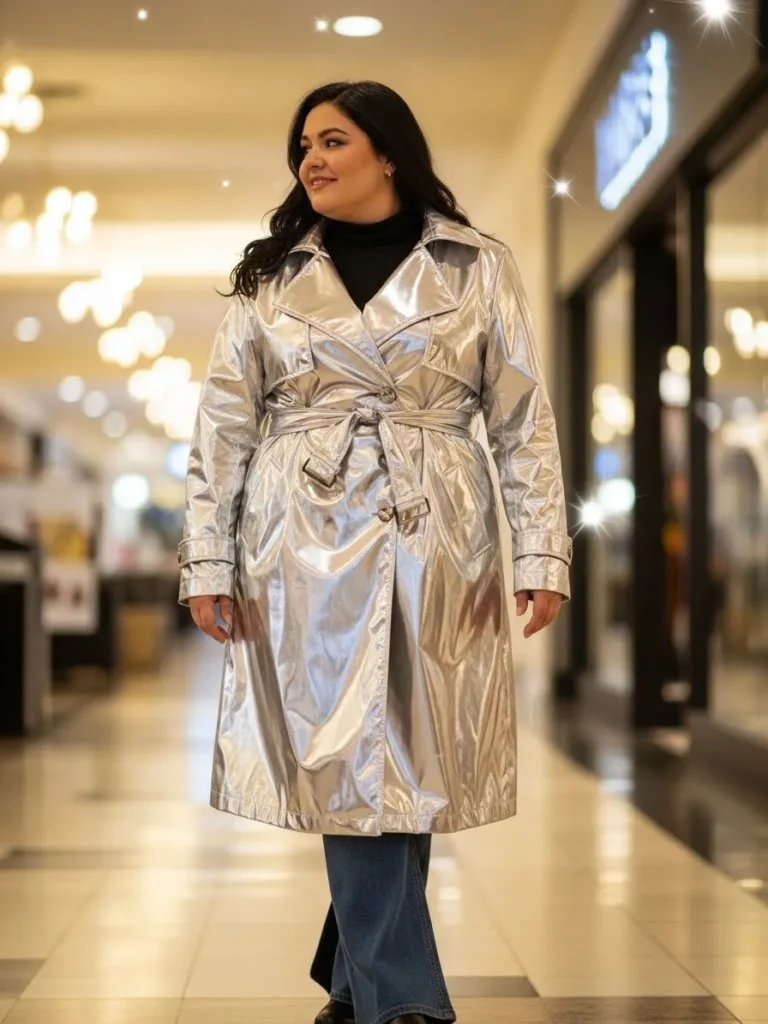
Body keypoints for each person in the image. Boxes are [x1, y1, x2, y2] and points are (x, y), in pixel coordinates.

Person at [179, 80, 571, 1024]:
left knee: (408, 757)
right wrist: (208, 562)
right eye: (302, 145)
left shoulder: (476, 265)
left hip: (439, 526)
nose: (309, 159)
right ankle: (405, 1003)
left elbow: (521, 419)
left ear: (387, 153)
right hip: (301, 537)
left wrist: (540, 554)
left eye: (332, 141)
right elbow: (222, 427)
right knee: (347, 755)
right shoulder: (271, 279)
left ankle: (354, 984)